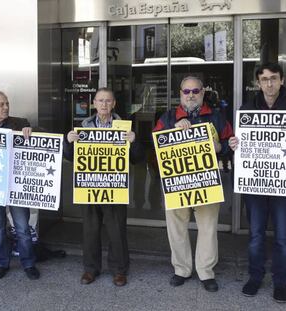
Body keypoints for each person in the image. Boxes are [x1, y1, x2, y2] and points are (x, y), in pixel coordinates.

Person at [153, 76, 233, 292]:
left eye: (195, 91)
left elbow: (231, 143)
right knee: (176, 227)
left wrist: (220, 147)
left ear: (203, 93)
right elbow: (156, 145)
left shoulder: (217, 117)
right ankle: (182, 269)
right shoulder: (168, 118)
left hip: (206, 182)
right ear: (180, 93)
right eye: (186, 91)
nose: (191, 95)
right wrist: (172, 131)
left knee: (208, 228)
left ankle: (206, 272)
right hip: (177, 183)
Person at [64, 87, 143, 286]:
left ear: (114, 104)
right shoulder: (83, 126)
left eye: (108, 101)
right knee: (90, 231)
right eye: (100, 100)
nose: (104, 104)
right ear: (94, 104)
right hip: (89, 186)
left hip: (114, 186)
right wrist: (69, 142)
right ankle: (91, 269)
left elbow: (137, 159)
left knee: (117, 231)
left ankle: (119, 270)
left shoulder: (125, 127)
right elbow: (71, 157)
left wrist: (134, 142)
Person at [229, 62, 286, 303]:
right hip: (255, 184)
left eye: (274, 78)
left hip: (282, 184)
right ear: (258, 83)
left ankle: (281, 282)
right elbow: (242, 144)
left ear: (282, 80)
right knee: (255, 234)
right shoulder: (248, 108)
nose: (269, 83)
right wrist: (235, 145)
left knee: (283, 237)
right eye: (264, 79)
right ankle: (255, 277)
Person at [0, 91, 40, 281]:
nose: (5, 107)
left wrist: (33, 132)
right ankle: (2, 263)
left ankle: (28, 264)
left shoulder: (21, 123)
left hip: (16, 187)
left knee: (22, 228)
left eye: (7, 104)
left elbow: (43, 137)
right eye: (1, 104)